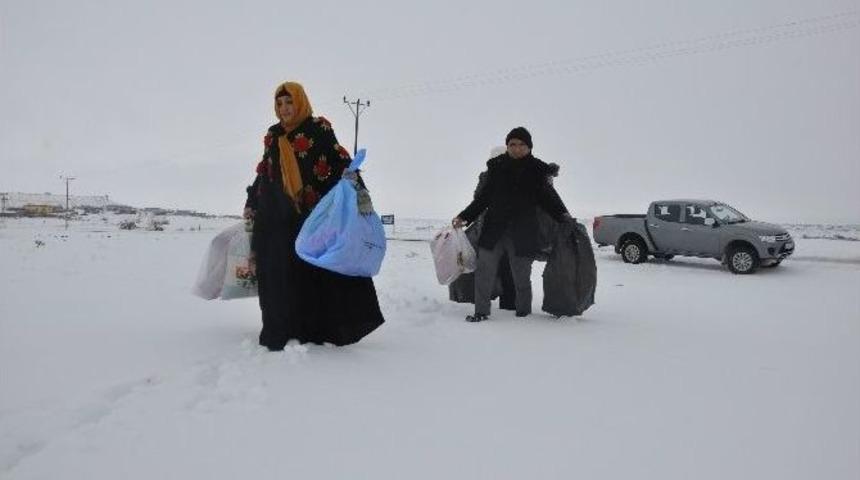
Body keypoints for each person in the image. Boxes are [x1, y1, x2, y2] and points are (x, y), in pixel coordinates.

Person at [244, 81, 384, 350]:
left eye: (289, 102)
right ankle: (281, 329)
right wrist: (252, 201)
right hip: (277, 214)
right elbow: (264, 172)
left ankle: (316, 329)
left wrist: (358, 193)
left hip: (314, 214)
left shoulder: (319, 129)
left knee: (314, 271)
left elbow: (339, 161)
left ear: (300, 102)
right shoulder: (273, 136)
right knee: (278, 272)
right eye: (279, 103)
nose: (284, 108)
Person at [452, 127, 573, 322]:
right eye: (512, 144)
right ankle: (481, 312)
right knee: (484, 272)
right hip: (494, 231)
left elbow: (548, 199)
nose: (516, 149)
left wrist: (563, 215)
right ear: (507, 146)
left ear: (529, 147)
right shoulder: (496, 167)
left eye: (521, 145)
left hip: (523, 233)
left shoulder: (537, 170)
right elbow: (482, 199)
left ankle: (523, 314)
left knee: (521, 277)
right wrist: (464, 216)